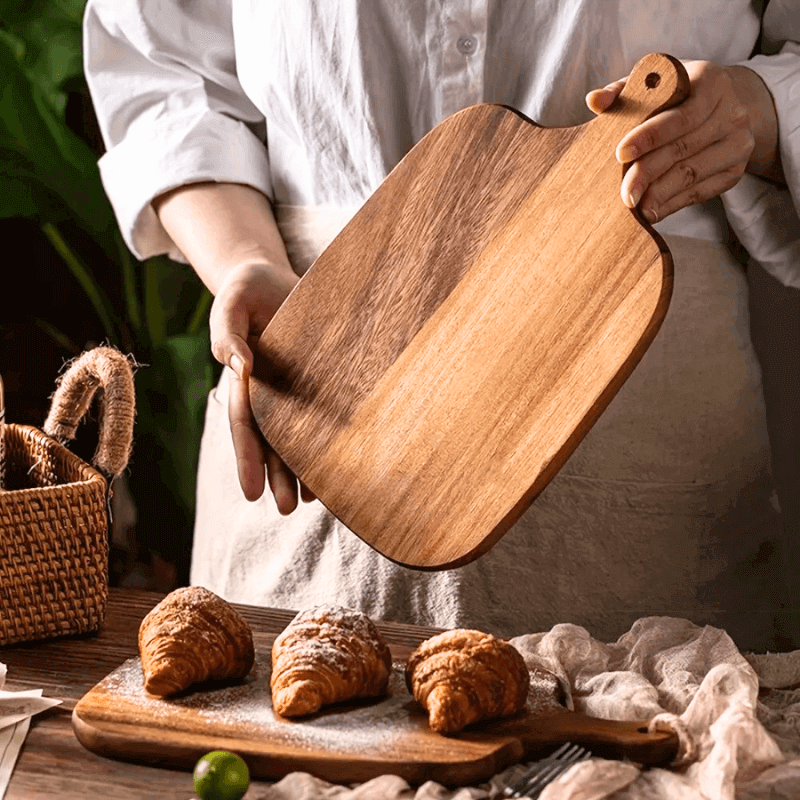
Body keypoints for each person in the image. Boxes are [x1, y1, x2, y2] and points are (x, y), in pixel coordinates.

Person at [83, 1, 800, 652]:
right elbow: (160, 70)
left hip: (649, 434)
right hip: (316, 371)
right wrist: (243, 259)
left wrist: (755, 109)